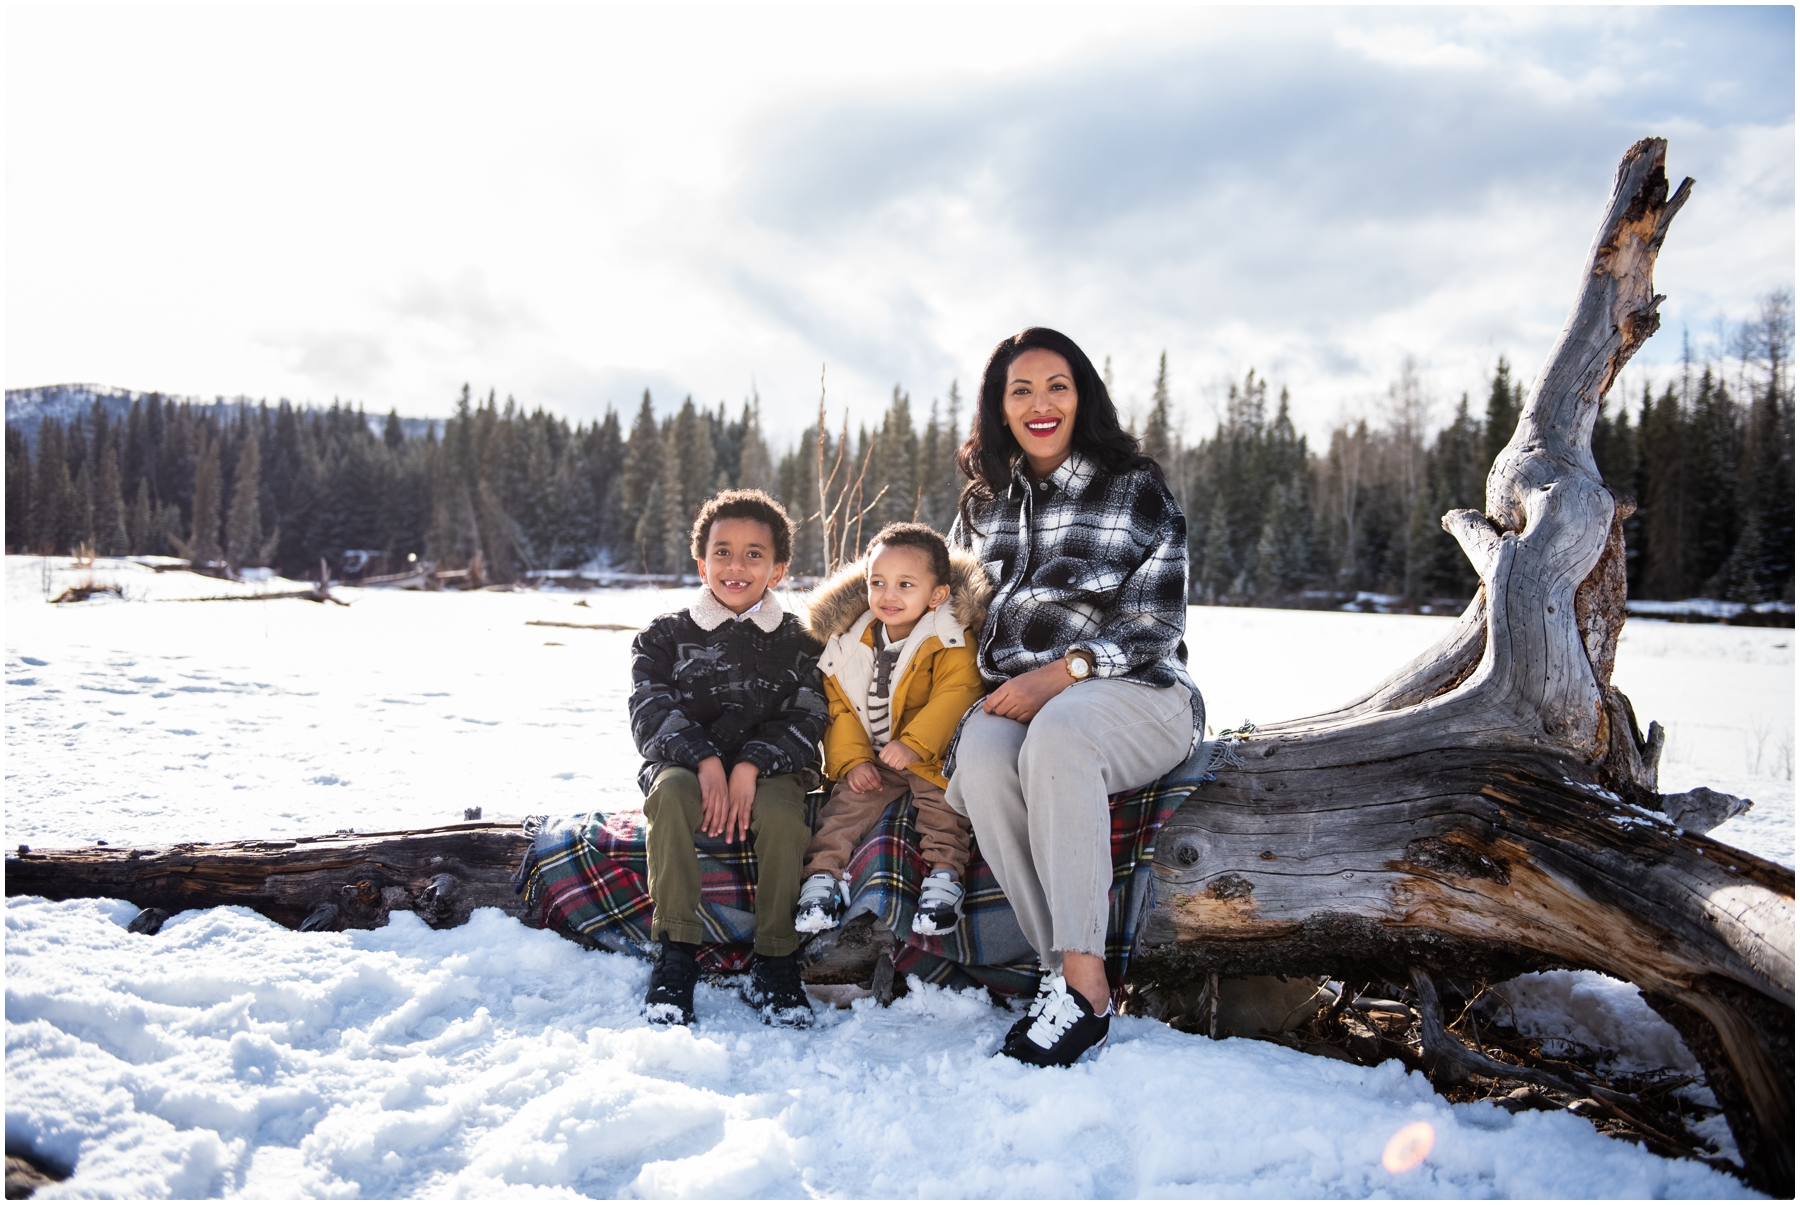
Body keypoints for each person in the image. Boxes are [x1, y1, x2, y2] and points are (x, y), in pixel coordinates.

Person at [945, 327, 1203, 1067]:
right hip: (1018, 697)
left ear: (1081, 394)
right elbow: (954, 613)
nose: (1040, 404)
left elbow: (1158, 623)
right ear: (999, 410)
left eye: (1057, 385)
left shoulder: (1134, 487)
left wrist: (1067, 671)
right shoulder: (983, 505)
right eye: (1020, 390)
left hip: (1138, 691)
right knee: (985, 756)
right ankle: (1056, 971)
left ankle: (1089, 987)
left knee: (1060, 733)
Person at [628, 489, 829, 1028]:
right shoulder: (665, 636)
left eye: (754, 554)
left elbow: (808, 717)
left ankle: (776, 956)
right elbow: (649, 709)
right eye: (722, 552)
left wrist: (750, 764)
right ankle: (675, 951)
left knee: (786, 819)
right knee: (668, 796)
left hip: (773, 772)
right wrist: (705, 761)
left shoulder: (801, 642)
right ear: (701, 562)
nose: (736, 566)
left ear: (779, 569)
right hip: (686, 768)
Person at [794, 522, 990, 937]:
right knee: (844, 808)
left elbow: (957, 692)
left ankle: (944, 879)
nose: (888, 595)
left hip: (929, 753)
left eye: (905, 584)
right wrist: (853, 761)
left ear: (936, 594)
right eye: (878, 582)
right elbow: (840, 705)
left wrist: (915, 744)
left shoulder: (951, 637)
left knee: (942, 807)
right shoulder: (849, 639)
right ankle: (821, 879)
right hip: (876, 756)